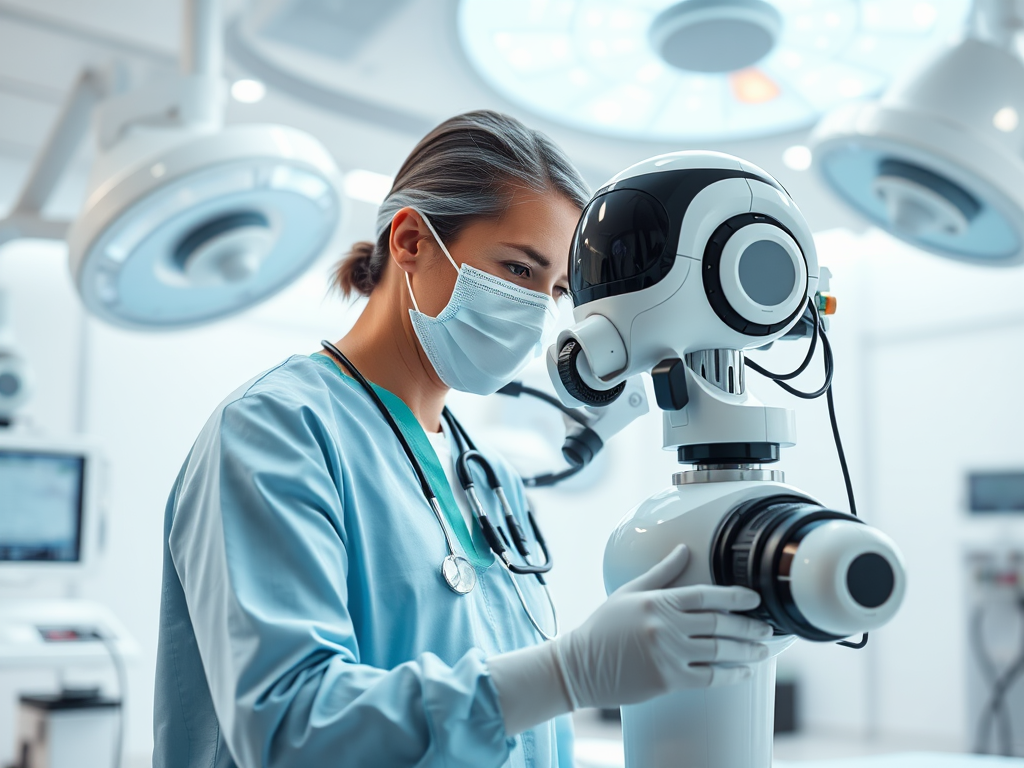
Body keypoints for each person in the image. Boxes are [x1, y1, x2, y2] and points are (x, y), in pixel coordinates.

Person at [153, 110, 773, 768]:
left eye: (557, 288)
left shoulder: (487, 473)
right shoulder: (277, 432)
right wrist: (566, 674)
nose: (540, 309)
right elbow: (289, 730)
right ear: (412, 241)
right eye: (518, 270)